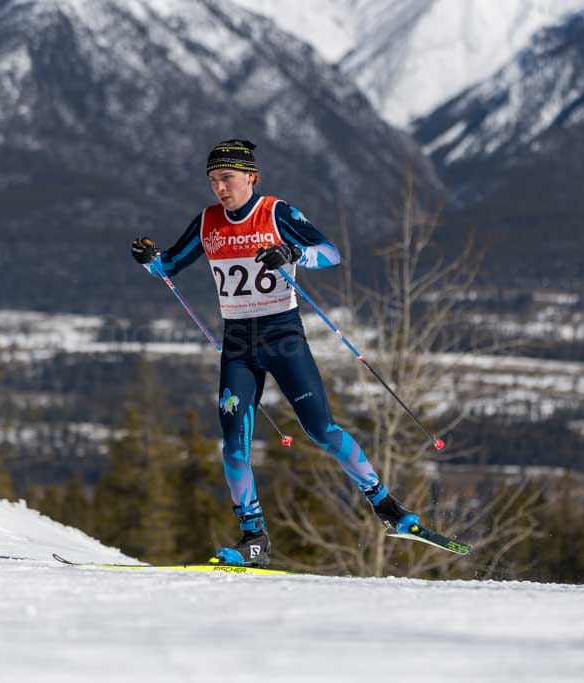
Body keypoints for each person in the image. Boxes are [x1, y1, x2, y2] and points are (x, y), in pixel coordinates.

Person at [129, 139, 417, 566]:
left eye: (226, 178)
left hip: (283, 339)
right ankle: (254, 537)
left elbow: (331, 253)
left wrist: (293, 251)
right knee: (233, 447)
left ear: (250, 176)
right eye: (213, 181)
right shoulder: (208, 222)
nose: (219, 188)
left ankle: (386, 505)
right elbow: (169, 265)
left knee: (322, 430)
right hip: (239, 348)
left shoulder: (276, 212)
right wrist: (149, 258)